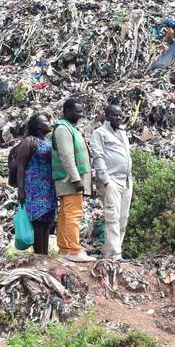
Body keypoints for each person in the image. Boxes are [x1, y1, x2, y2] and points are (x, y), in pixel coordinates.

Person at [89, 102, 133, 261]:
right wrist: (106, 181)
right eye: (115, 115)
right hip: (111, 181)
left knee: (123, 218)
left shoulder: (123, 133)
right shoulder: (99, 133)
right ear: (106, 116)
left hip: (126, 181)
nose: (119, 117)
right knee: (112, 217)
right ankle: (114, 255)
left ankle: (114, 252)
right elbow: (98, 157)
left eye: (120, 115)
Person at [51, 98, 94, 262]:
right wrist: (76, 180)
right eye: (77, 111)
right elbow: (66, 156)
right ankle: (73, 250)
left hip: (70, 180)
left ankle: (64, 248)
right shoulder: (63, 129)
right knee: (73, 214)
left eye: (81, 111)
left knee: (66, 214)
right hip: (69, 181)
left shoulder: (70, 128)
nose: (80, 114)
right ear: (66, 111)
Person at [8, 113, 56, 255]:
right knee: (37, 221)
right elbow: (21, 165)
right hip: (34, 186)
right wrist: (21, 189)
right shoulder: (30, 141)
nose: (49, 123)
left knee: (47, 221)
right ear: (37, 126)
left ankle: (44, 254)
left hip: (48, 187)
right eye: (45, 121)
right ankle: (38, 255)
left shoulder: (48, 142)